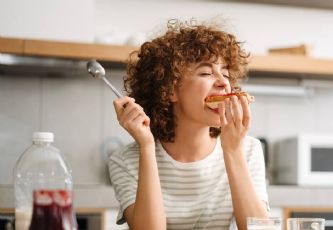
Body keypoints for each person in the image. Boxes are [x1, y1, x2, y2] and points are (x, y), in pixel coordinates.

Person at [108, 18, 269, 230]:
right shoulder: (126, 160)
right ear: (170, 90)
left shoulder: (247, 149)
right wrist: (146, 147)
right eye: (206, 73)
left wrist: (232, 150)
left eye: (226, 73)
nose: (223, 82)